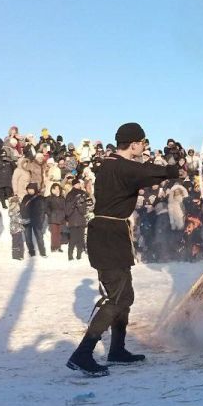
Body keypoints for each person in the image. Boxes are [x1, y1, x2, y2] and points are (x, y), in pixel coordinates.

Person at [66, 123, 178, 377]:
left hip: (111, 234)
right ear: (135, 143)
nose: (144, 147)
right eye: (143, 142)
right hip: (108, 236)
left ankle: (117, 349)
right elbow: (148, 172)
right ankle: (82, 354)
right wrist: (173, 169)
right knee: (117, 297)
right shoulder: (121, 165)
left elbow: (140, 172)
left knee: (124, 296)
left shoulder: (110, 164)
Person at [64, 176, 89, 261]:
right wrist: (75, 203)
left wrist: (81, 205)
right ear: (73, 185)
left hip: (81, 219)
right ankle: (70, 256)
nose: (78, 185)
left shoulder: (83, 193)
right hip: (73, 219)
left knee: (80, 239)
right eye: (76, 184)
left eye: (79, 183)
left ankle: (79, 255)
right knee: (73, 238)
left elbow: (86, 207)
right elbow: (67, 209)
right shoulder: (70, 194)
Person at [19, 183, 47, 257]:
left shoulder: (40, 198)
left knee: (39, 237)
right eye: (28, 189)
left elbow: (42, 210)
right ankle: (31, 251)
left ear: (35, 189)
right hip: (27, 220)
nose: (30, 191)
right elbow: (22, 208)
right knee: (28, 238)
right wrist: (23, 218)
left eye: (31, 189)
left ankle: (42, 252)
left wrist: (41, 221)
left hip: (36, 221)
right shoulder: (25, 197)